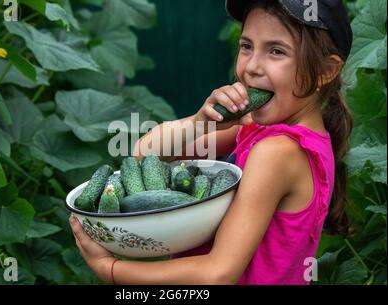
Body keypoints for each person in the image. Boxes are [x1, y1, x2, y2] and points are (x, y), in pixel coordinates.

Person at [69, 0, 354, 285]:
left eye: (276, 51)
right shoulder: (261, 130)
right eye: (246, 46)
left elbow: (216, 274)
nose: (252, 67)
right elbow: (144, 155)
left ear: (325, 71)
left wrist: (111, 269)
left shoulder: (279, 152)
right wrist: (199, 122)